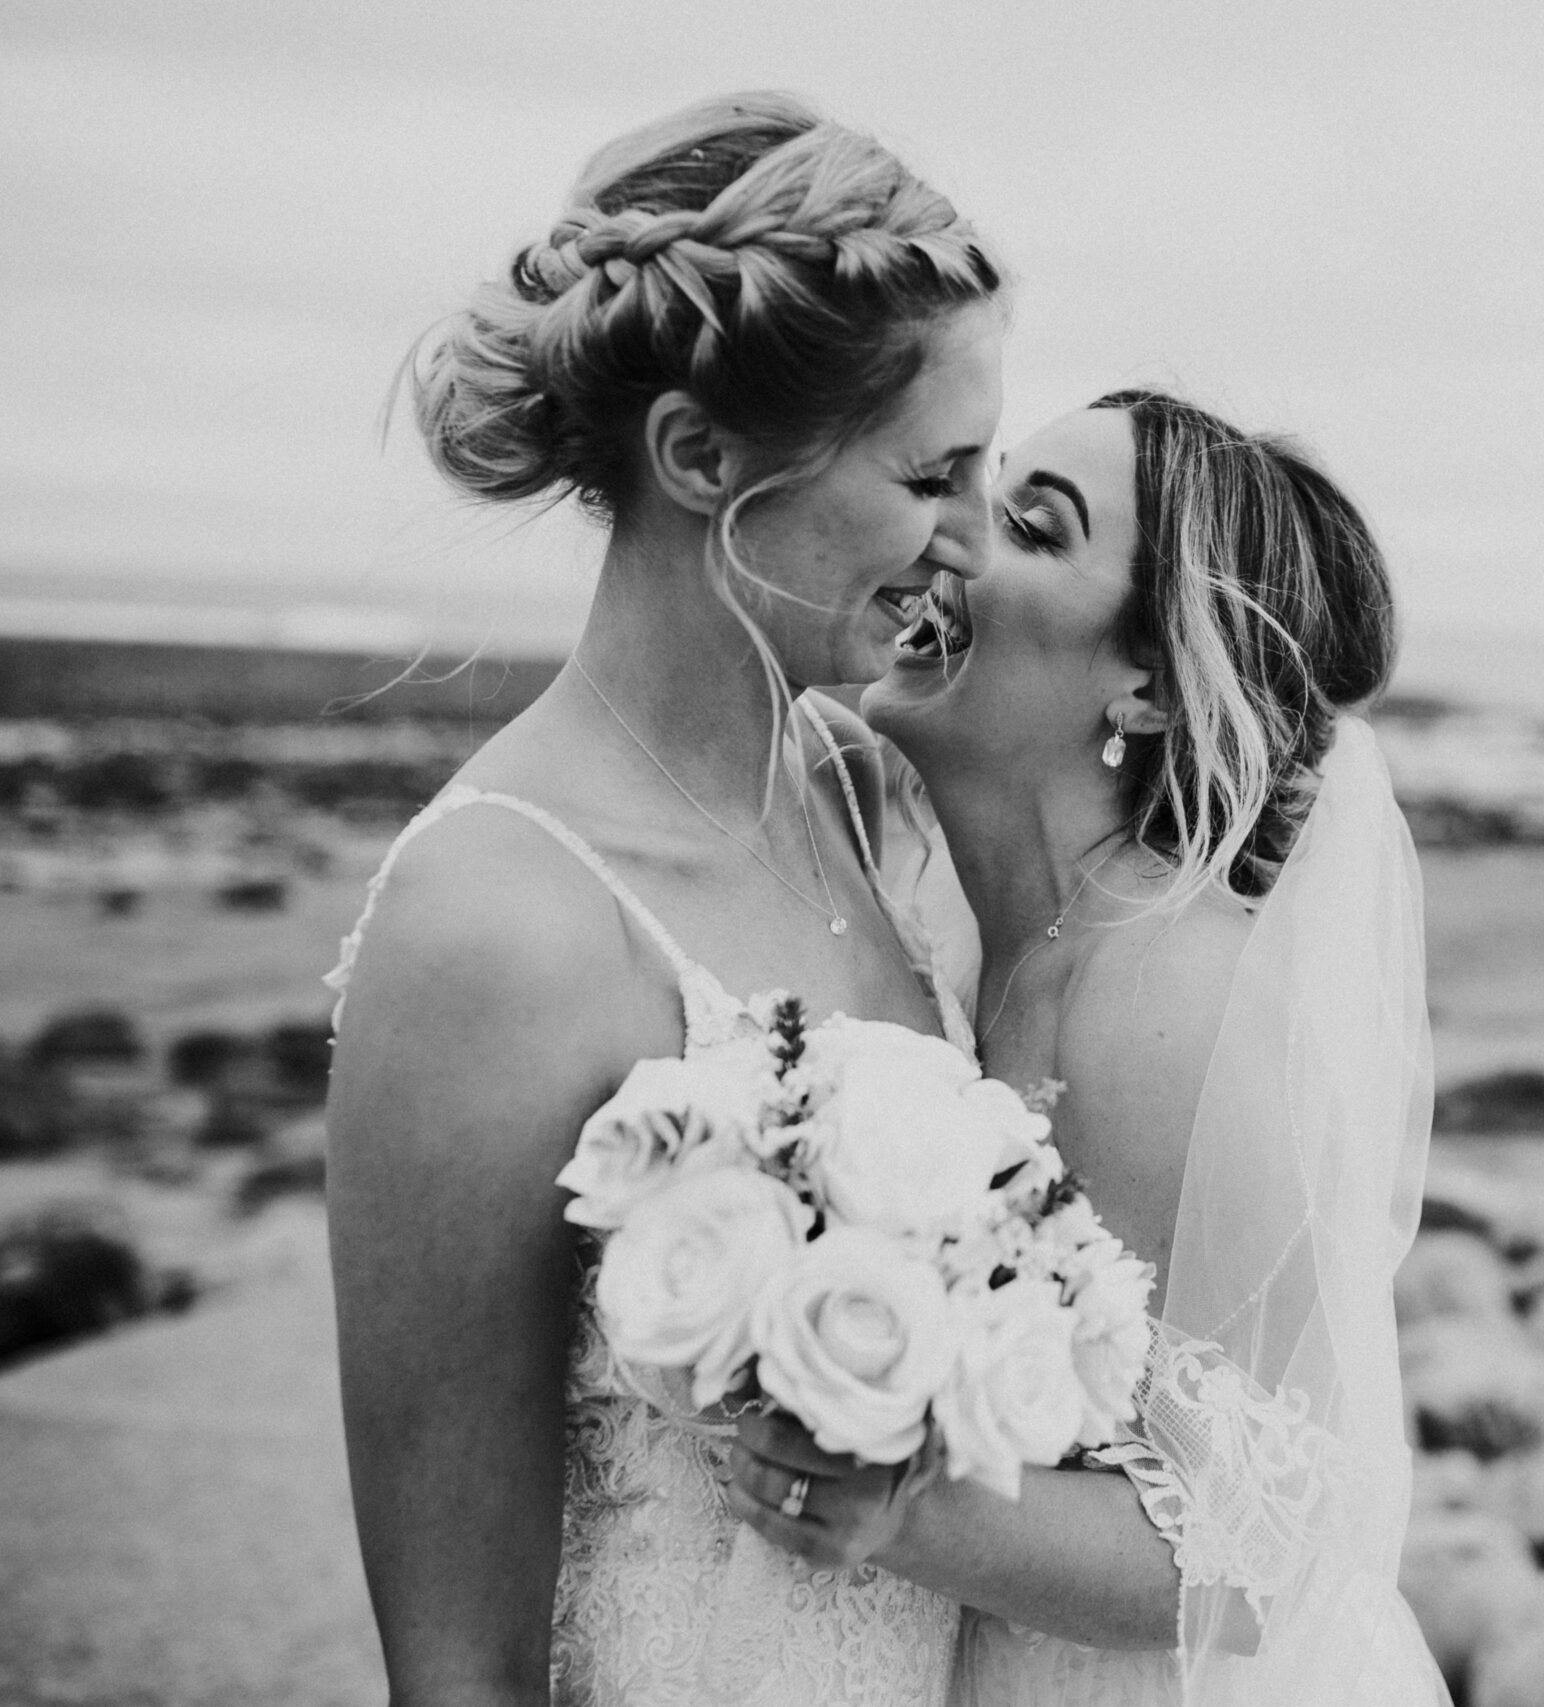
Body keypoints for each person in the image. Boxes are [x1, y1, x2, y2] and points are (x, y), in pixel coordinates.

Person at [323, 92, 1013, 1707]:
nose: (977, 543)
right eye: (935, 476)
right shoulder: (498, 926)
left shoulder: (867, 794)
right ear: (701, 456)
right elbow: (457, 1670)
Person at [743, 390, 1449, 1703]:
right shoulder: (911, 879)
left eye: (1032, 524)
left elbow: (1265, 1562)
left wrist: (892, 1504)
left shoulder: (1180, 1010)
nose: (948, 537)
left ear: (1153, 685)